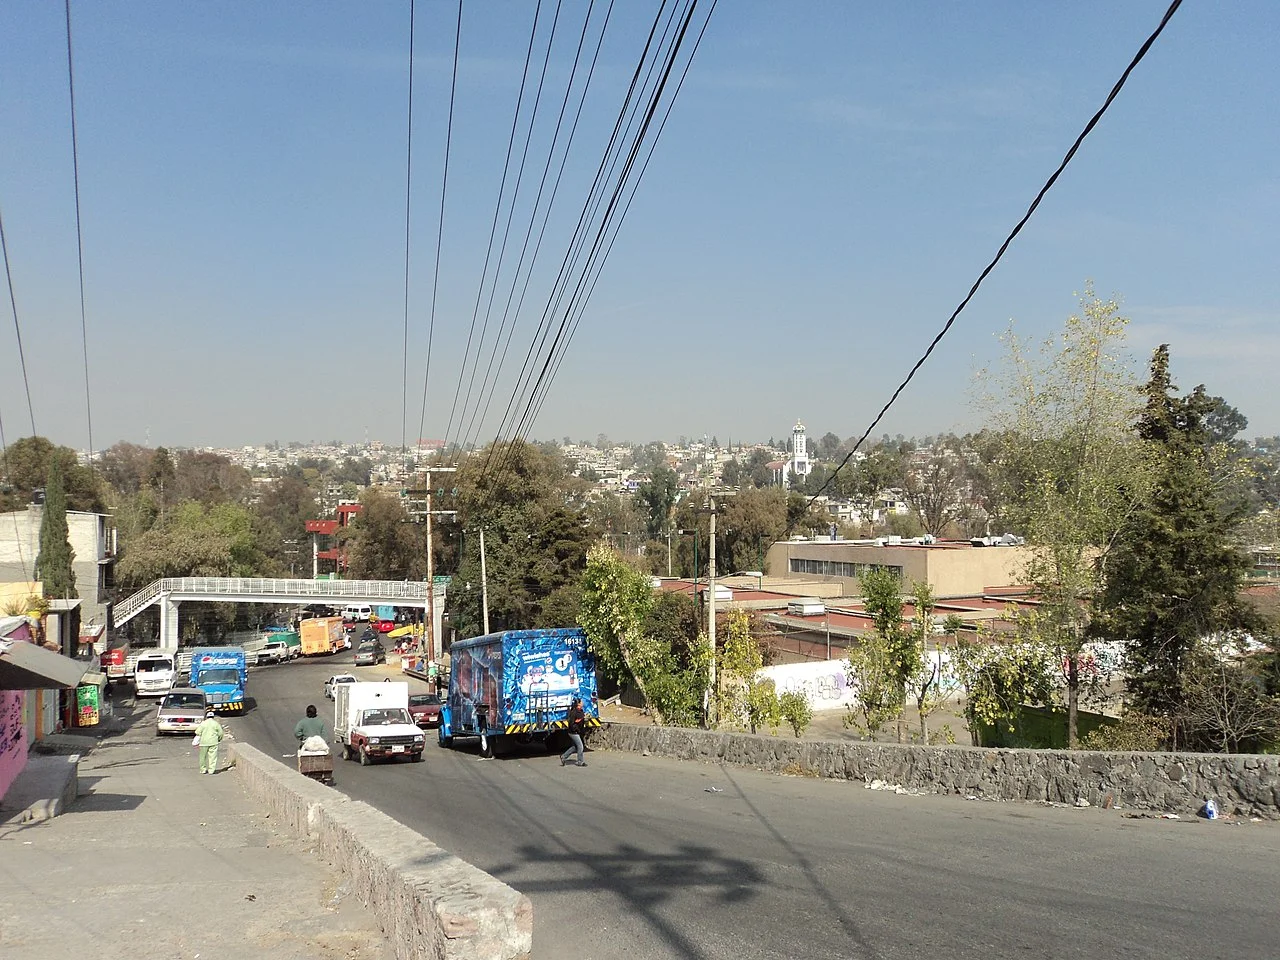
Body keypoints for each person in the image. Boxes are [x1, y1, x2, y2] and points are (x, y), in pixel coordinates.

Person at [194, 708, 225, 775]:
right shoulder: (216, 723)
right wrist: (219, 739)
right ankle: (211, 770)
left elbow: (197, 732)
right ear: (213, 717)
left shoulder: (203, 723)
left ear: (207, 716)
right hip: (213, 742)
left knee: (202, 757)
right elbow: (221, 733)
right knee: (213, 757)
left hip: (204, 742)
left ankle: (203, 769)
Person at [560, 697, 587, 767]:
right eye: (581, 702)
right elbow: (572, 723)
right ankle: (580, 761)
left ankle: (563, 756)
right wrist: (576, 730)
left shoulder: (580, 711)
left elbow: (580, 720)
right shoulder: (574, 712)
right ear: (578, 704)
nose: (583, 702)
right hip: (573, 732)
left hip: (577, 732)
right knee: (580, 746)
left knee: (575, 747)